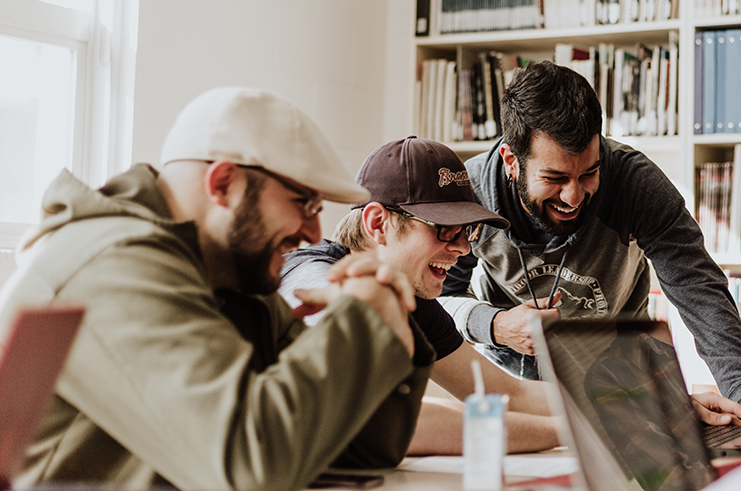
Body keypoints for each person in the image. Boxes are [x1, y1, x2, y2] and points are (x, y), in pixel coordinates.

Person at [0, 88, 435, 491]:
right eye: (303, 202)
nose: (313, 231)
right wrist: (362, 320)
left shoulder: (231, 277)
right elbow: (249, 467)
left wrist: (389, 321)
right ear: (223, 183)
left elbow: (356, 450)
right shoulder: (113, 265)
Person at [440, 60, 741, 410]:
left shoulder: (637, 185)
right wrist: (495, 325)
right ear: (511, 161)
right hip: (511, 385)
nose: (573, 196)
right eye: (555, 178)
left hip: (619, 378)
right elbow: (438, 299)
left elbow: (702, 297)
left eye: (589, 173)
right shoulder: (470, 196)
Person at [280, 135, 563, 455]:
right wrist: (570, 432)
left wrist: (609, 407)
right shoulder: (310, 279)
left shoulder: (412, 301)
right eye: (445, 229)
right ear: (378, 224)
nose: (463, 248)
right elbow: (387, 420)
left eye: (467, 231)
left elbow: (506, 394)